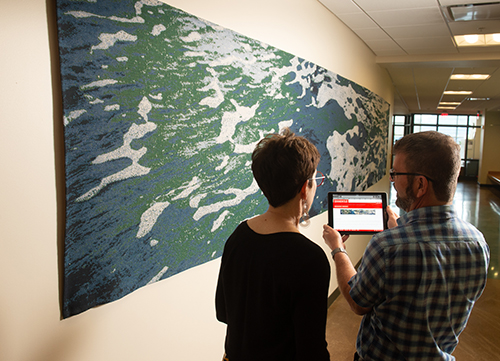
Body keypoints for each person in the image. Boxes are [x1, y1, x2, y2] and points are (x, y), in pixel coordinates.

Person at [323, 131, 490, 361]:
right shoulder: (478, 243)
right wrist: (396, 231)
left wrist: (337, 249)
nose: (392, 180)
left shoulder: (387, 246)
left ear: (420, 184)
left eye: (395, 173)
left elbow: (357, 301)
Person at [215, 128, 330, 361]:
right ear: (303, 189)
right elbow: (312, 350)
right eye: (315, 179)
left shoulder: (239, 236)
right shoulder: (310, 259)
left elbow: (223, 312)